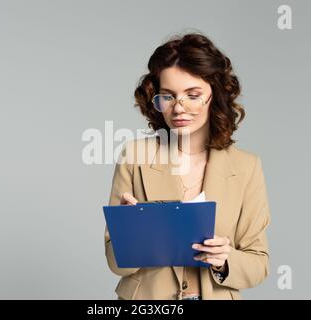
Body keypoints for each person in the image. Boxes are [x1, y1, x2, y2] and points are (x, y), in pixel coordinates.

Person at [104, 32, 271, 300]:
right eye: (168, 96)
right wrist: (131, 234)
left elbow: (258, 263)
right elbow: (115, 263)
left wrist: (224, 259)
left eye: (192, 95)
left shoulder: (247, 166)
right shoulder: (135, 155)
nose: (178, 108)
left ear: (214, 96)